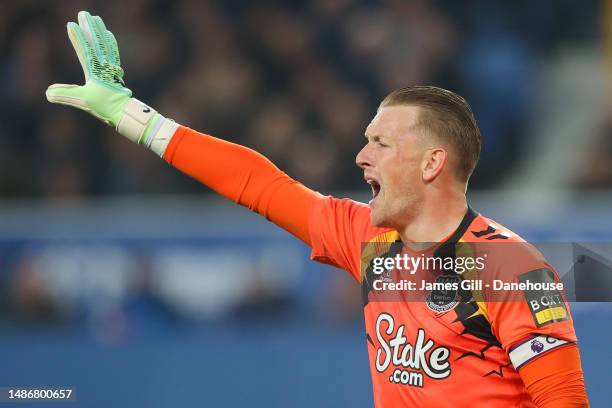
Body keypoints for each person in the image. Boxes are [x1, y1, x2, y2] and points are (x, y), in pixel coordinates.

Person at [46, 11, 589, 407]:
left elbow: (563, 400)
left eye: (380, 143)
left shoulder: (512, 270)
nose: (360, 156)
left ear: (431, 164)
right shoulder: (371, 242)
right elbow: (258, 184)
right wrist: (135, 118)